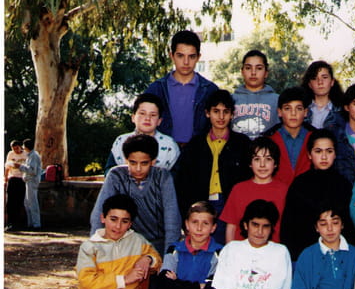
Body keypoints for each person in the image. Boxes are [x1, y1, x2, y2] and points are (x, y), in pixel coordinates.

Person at [175, 89, 252, 243]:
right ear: (207, 113)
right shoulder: (194, 145)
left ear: (232, 114)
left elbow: (248, 179)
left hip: (230, 204)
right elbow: (182, 183)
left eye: (226, 112)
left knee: (228, 246)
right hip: (201, 204)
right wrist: (187, 213)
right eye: (216, 111)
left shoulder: (242, 144)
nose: (221, 117)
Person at [90, 135, 180, 256]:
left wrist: (169, 257)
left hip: (157, 246)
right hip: (123, 245)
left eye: (144, 163)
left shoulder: (163, 177)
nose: (138, 169)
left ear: (153, 161)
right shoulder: (116, 176)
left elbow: (172, 221)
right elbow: (98, 215)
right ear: (126, 160)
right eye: (133, 163)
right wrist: (96, 249)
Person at [280, 129, 355, 262]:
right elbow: (288, 228)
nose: (324, 157)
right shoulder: (299, 185)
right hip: (305, 256)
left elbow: (350, 227)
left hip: (339, 257)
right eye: (318, 151)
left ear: (335, 154)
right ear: (309, 154)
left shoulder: (343, 185)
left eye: (329, 151)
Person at [145, 30, 218, 145]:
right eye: (180, 56)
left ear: (198, 57)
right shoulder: (156, 89)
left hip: (198, 152)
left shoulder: (210, 90)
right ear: (172, 56)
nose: (186, 62)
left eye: (191, 56)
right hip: (162, 151)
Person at [220, 136, 287, 243]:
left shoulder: (284, 190)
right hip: (242, 250)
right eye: (257, 159)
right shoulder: (238, 189)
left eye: (268, 159)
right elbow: (231, 227)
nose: (262, 165)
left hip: (273, 249)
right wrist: (230, 250)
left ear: (275, 164)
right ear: (250, 163)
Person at [104, 93, 179, 175]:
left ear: (159, 121)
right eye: (142, 113)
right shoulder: (120, 141)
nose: (147, 118)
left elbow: (177, 176)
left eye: (153, 115)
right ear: (133, 117)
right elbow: (109, 172)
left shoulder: (169, 145)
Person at [263, 86, 314, 186]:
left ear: (305, 112)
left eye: (298, 109)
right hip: (276, 192)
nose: (293, 113)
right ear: (279, 112)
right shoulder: (269, 139)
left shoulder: (315, 139)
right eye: (287, 108)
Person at [231, 49, 279, 139]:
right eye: (248, 68)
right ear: (242, 72)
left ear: (266, 73)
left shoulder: (277, 100)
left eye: (259, 68)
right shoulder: (231, 99)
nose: (253, 73)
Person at [302, 61, 344, 130]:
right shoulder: (301, 109)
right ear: (309, 84)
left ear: (332, 82)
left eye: (324, 77)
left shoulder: (342, 110)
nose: (320, 82)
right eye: (315, 78)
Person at [19, 138, 42, 230]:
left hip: (32, 181)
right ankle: (31, 223)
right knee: (27, 203)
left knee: (33, 202)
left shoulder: (34, 156)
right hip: (29, 181)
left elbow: (32, 170)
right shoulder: (30, 155)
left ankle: (36, 224)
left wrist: (20, 166)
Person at [5, 140, 27, 231]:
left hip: (22, 179)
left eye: (17, 148)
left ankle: (20, 222)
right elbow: (7, 167)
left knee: (20, 200)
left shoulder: (26, 154)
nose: (16, 150)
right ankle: (10, 222)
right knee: (10, 201)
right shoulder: (10, 154)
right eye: (14, 149)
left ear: (20, 147)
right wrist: (6, 178)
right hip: (12, 178)